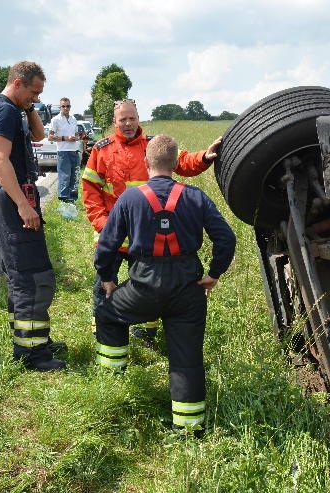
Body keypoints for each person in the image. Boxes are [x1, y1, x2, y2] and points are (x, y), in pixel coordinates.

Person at [94, 134, 236, 436]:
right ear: (175, 163)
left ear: (146, 162)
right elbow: (226, 238)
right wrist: (214, 273)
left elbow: (107, 244)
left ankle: (113, 379)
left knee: (107, 312)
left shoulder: (130, 198)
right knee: (187, 357)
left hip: (143, 288)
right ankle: (189, 427)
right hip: (188, 290)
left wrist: (107, 277)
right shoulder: (196, 196)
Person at [82, 99, 222, 346]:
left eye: (132, 118)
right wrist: (106, 227)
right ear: (114, 122)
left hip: (145, 238)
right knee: (103, 284)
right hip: (111, 237)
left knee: (151, 287)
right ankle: (104, 330)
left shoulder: (151, 146)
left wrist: (205, 157)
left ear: (139, 119)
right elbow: (91, 193)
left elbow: (183, 162)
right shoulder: (101, 150)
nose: (127, 123)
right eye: (122, 119)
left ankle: (147, 333)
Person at [0, 61, 65, 372]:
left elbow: (39, 135)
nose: (37, 98)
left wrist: (29, 107)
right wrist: (23, 205)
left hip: (15, 196)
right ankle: (32, 354)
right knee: (31, 277)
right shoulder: (2, 110)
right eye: (33, 91)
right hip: (11, 198)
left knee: (24, 276)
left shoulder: (12, 108)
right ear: (17, 82)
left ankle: (34, 340)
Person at [48, 97, 79, 203]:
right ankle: (63, 202)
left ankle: (72, 201)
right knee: (65, 177)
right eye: (63, 106)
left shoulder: (73, 119)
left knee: (74, 176)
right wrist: (65, 138)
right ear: (60, 107)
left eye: (68, 106)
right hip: (63, 151)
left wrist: (77, 137)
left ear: (70, 107)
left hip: (74, 150)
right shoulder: (55, 120)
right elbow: (50, 137)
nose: (66, 108)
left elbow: (76, 134)